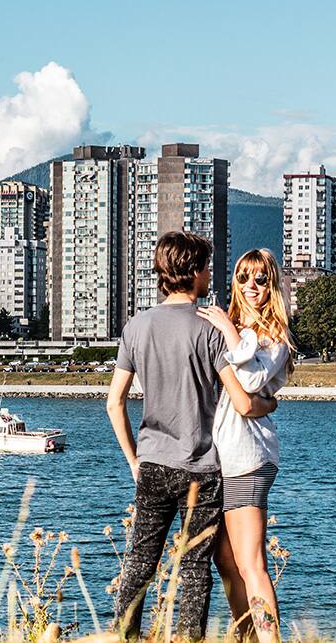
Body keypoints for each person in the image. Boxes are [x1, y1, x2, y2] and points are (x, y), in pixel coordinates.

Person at [107, 231, 278, 641]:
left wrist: (134, 460)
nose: (209, 275)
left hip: (151, 464)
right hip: (203, 468)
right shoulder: (209, 329)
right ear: (196, 271)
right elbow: (241, 400)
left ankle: (121, 636)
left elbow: (115, 403)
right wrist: (267, 405)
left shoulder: (136, 326)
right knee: (195, 566)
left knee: (139, 564)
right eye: (207, 267)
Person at [196, 248, 292, 643]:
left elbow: (251, 386)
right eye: (243, 278)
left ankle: (268, 641)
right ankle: (246, 635)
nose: (251, 287)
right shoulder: (230, 325)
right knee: (224, 559)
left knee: (251, 563)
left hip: (249, 458)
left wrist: (231, 333)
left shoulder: (275, 337)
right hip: (221, 457)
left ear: (272, 286)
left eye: (261, 280)